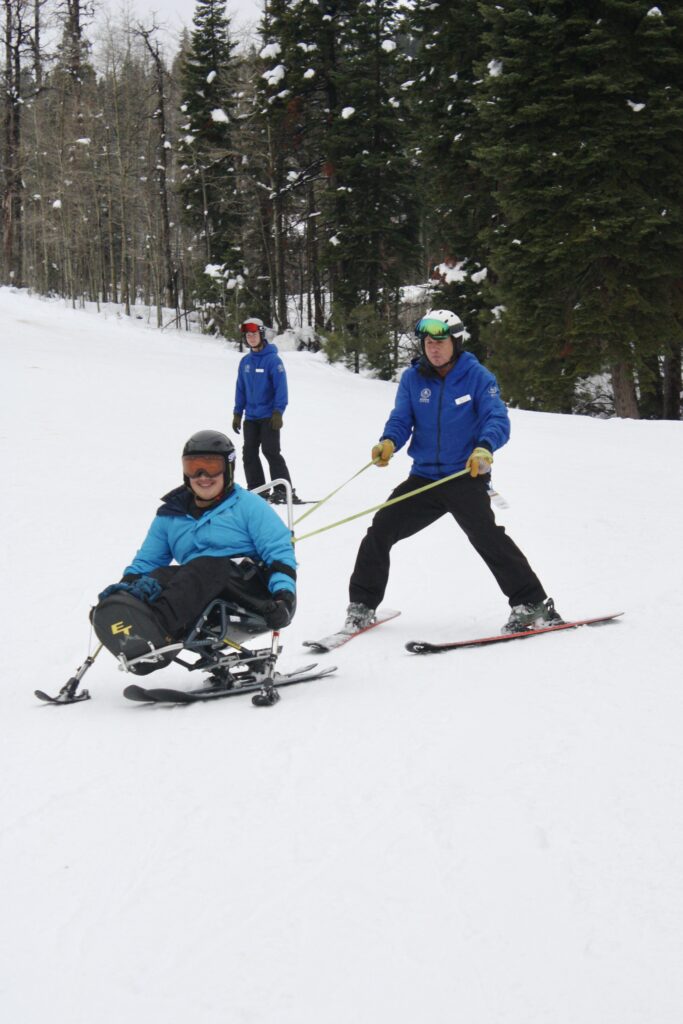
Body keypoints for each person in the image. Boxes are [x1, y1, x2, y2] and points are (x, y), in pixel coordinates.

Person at [344, 309, 562, 635]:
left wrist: (484, 447)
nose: (433, 348)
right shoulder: (413, 379)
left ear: (456, 342)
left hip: (465, 475)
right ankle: (362, 606)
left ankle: (531, 604)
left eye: (441, 341)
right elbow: (402, 419)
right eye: (429, 342)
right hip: (425, 478)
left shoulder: (478, 377)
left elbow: (496, 419)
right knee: (380, 530)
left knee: (486, 536)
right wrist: (389, 442)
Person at [93, 430, 297, 662]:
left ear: (228, 469)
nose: (203, 476)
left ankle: (158, 628)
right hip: (196, 592)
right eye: (193, 467)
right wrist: (123, 594)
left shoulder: (249, 505)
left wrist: (284, 597)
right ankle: (131, 625)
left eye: (211, 466)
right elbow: (148, 562)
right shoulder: (171, 514)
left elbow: (279, 553)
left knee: (205, 566)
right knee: (161, 575)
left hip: (252, 592)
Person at [232, 316, 302, 504]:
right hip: (251, 417)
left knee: (271, 451)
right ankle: (258, 489)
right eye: (248, 335)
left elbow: (281, 388)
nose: (251, 338)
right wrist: (238, 413)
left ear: (261, 335)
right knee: (249, 453)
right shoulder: (245, 362)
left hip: (269, 417)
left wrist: (278, 411)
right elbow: (240, 388)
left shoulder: (273, 361)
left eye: (254, 334)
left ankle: (283, 490)